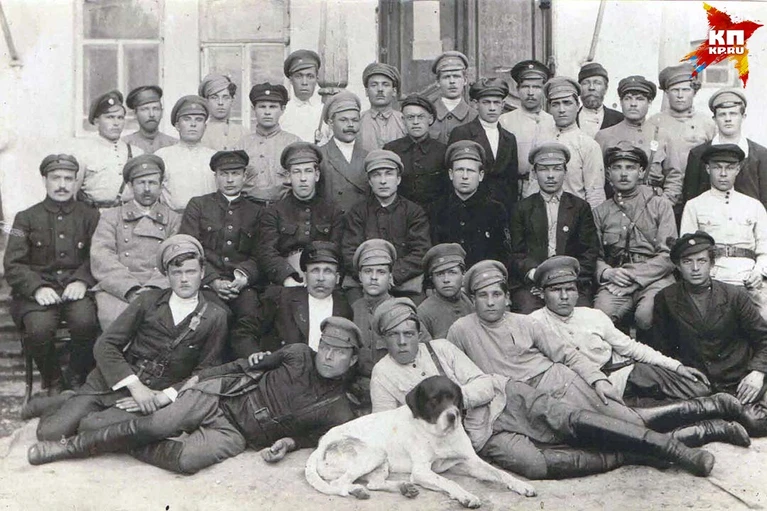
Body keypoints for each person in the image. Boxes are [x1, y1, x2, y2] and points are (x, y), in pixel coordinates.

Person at [373, 297, 746, 480]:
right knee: (534, 466)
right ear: (383, 339)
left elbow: (484, 383)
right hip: (482, 436)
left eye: (409, 333)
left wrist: (449, 403)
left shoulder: (440, 349)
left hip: (508, 399)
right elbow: (390, 428)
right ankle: (646, 452)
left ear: (419, 333)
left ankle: (676, 449)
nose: (403, 342)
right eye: (394, 336)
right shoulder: (383, 374)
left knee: (574, 422)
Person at [27, 317, 361, 475]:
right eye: (325, 347)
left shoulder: (340, 410)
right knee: (157, 426)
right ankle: (67, 447)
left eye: (339, 352)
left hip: (239, 434)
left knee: (187, 462)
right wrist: (198, 379)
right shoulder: (298, 353)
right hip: (221, 397)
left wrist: (288, 443)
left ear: (353, 359)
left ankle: (113, 437)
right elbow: (243, 364)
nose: (328, 356)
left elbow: (311, 438)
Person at [33, 234, 229, 442]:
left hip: (154, 394)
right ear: (167, 275)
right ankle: (67, 400)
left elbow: (205, 372)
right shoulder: (148, 301)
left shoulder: (215, 316)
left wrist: (163, 397)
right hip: (113, 382)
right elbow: (106, 344)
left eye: (191, 272)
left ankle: (73, 404)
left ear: (202, 272)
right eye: (176, 272)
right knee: (49, 433)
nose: (184, 279)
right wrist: (135, 386)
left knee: (91, 427)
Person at [531, 255, 713, 401]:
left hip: (622, 375)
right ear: (541, 293)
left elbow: (631, 347)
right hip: (583, 391)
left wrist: (677, 367)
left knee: (697, 388)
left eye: (570, 289)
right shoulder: (533, 324)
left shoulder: (593, 316)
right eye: (556, 290)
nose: (564, 296)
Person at [653, 232, 767, 436]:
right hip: (697, 384)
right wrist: (680, 371)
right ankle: (715, 421)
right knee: (662, 418)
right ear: (677, 266)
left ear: (712, 263)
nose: (695, 268)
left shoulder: (734, 295)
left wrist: (758, 373)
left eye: (702, 261)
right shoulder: (666, 298)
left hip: (739, 379)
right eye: (687, 262)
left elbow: (763, 338)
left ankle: (716, 418)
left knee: (756, 422)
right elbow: (661, 348)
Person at [4, 154, 100, 393]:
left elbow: (98, 256)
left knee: (86, 323)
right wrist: (36, 287)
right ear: (44, 180)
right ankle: (53, 380)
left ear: (76, 182)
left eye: (68, 179)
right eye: (56, 178)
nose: (62, 185)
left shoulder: (90, 216)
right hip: (37, 293)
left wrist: (82, 280)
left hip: (76, 290)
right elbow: (13, 263)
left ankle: (76, 376)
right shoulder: (24, 218)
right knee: (38, 329)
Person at [179, 150, 263, 356]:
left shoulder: (257, 211)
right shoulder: (198, 205)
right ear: (215, 176)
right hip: (205, 284)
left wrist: (243, 277)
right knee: (216, 317)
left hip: (242, 285)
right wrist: (213, 280)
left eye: (235, 174)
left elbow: (261, 253)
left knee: (251, 315)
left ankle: (248, 363)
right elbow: (188, 249)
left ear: (244, 176)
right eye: (224, 174)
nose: (230, 180)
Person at [593, 142, 677, 332]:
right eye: (617, 168)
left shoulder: (659, 205)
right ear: (608, 173)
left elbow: (669, 255)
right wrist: (607, 272)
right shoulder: (600, 212)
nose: (623, 174)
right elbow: (594, 255)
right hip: (617, 278)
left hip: (656, 278)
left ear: (641, 172)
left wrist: (635, 277)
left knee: (647, 315)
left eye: (630, 168)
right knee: (600, 316)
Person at [90, 155, 181, 329]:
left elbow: (175, 260)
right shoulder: (111, 217)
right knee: (117, 326)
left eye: (152, 183)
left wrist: (152, 289)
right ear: (130, 186)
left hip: (160, 288)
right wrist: (130, 289)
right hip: (118, 290)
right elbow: (102, 257)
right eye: (141, 183)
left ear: (161, 186)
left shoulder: (173, 219)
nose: (147, 189)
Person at [509, 142, 599, 313]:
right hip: (533, 283)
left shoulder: (580, 207)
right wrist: (537, 276)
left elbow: (589, 251)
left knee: (582, 315)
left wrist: (566, 279)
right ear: (534, 173)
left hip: (572, 282)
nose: (550, 176)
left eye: (557, 169)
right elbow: (516, 253)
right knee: (528, 312)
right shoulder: (522, 208)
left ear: (565, 172)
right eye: (544, 169)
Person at [680, 144, 767, 318]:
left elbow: (765, 248)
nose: (723, 173)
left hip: (749, 278)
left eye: (729, 168)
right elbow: (687, 252)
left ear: (738, 169)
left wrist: (759, 273)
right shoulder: (694, 206)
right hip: (712, 280)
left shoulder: (754, 206)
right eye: (717, 167)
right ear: (707, 169)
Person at [233, 241, 352, 358]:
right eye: (315, 270)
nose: (321, 278)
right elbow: (244, 331)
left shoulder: (345, 307)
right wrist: (253, 353)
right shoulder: (281, 298)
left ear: (337, 278)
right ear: (305, 275)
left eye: (328, 271)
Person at [342, 150, 432, 301]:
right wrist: (370, 276)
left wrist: (392, 275)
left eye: (389, 174)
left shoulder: (414, 212)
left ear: (398, 179)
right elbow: (349, 251)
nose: (383, 181)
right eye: (376, 175)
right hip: (364, 284)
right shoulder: (357, 212)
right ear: (370, 181)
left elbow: (421, 252)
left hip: (404, 284)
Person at [259, 142, 343, 286]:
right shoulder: (273, 212)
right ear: (288, 176)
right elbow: (267, 252)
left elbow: (337, 250)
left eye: (308, 171)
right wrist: (286, 278)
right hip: (286, 279)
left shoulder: (333, 211)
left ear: (317, 175)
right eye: (297, 172)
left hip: (322, 279)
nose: (303, 178)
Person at [595, 76, 681, 205]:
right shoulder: (604, 136)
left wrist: (663, 204)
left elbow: (674, 177)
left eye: (640, 99)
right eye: (628, 98)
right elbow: (596, 180)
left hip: (653, 204)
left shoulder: (662, 136)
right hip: (616, 205)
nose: (633, 104)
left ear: (649, 102)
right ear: (621, 101)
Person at [682, 88, 767, 212]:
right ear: (714, 119)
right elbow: (690, 198)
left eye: (733, 114)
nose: (728, 119)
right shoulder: (698, 154)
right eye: (722, 114)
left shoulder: (761, 155)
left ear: (743, 117)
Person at [429, 140, 511, 268]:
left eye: (471, 171)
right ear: (451, 174)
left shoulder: (495, 210)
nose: (465, 176)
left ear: (481, 175)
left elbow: (502, 255)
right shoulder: (436, 209)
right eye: (459, 170)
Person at [448, 77, 519, 210]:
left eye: (496, 103)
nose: (492, 108)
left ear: (503, 105)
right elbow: (451, 175)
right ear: (476, 104)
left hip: (501, 208)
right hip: (470, 206)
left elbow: (512, 180)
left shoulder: (509, 138)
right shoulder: (462, 133)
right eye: (486, 102)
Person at [543, 76, 605, 209]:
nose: (561, 110)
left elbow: (595, 194)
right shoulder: (541, 140)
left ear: (577, 106)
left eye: (567, 103)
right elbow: (533, 185)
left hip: (575, 216)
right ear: (549, 108)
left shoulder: (589, 145)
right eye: (555, 104)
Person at [74, 90, 145, 208]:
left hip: (129, 214)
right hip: (95, 214)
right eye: (110, 117)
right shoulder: (83, 152)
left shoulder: (137, 153)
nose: (116, 123)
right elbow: (72, 193)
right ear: (97, 121)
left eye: (120, 118)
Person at [648, 64, 715, 184]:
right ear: (667, 93)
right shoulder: (654, 122)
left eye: (685, 90)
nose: (680, 95)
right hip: (665, 188)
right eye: (675, 90)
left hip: (699, 187)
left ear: (694, 92)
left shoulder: (707, 123)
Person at [498, 60, 557, 199]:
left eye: (536, 87)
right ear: (517, 89)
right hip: (513, 190)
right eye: (525, 87)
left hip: (546, 191)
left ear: (544, 91)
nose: (530, 93)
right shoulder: (505, 121)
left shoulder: (553, 121)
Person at [236, 83, 301, 205]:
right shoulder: (241, 145)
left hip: (285, 207)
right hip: (249, 207)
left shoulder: (294, 144)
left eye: (272, 107)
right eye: (262, 107)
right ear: (253, 109)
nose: (267, 112)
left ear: (282, 109)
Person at [383, 94, 448, 209]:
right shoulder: (391, 150)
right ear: (403, 120)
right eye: (410, 117)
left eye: (421, 117)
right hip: (400, 213)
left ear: (430, 119)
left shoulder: (442, 151)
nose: (415, 122)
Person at [155, 96, 217, 211]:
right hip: (172, 218)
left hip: (208, 218)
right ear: (177, 125)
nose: (193, 124)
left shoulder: (215, 157)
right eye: (187, 119)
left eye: (199, 120)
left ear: (205, 126)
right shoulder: (162, 156)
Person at [318, 91, 369, 216]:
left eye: (355, 120)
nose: (350, 125)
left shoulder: (368, 156)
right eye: (344, 120)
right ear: (331, 123)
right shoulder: (320, 156)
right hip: (330, 222)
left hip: (361, 222)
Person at [416, 243, 474, 338]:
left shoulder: (471, 302)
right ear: (432, 279)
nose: (446, 280)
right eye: (440, 274)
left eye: (452, 272)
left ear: (463, 275)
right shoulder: (423, 313)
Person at [280, 49, 330, 144]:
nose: (304, 82)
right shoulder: (282, 112)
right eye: (298, 76)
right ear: (291, 80)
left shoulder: (325, 111)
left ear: (316, 79)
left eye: (310, 76)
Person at [428, 51, 478, 144]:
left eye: (456, 76)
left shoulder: (475, 116)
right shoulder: (427, 115)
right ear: (438, 82)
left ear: (465, 80)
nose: (452, 81)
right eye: (446, 77)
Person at [358, 63, 406, 152]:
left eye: (385, 84)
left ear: (394, 91)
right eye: (374, 85)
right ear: (367, 91)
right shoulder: (357, 121)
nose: (380, 89)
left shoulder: (404, 121)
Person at [122, 85, 177, 154]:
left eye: (156, 109)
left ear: (162, 112)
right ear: (135, 114)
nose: (151, 114)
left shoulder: (174, 144)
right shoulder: (124, 145)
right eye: (145, 109)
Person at [198, 74, 247, 151]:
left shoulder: (244, 133)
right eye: (214, 98)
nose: (220, 103)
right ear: (206, 101)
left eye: (226, 98)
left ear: (232, 100)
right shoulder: (199, 133)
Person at [577, 62, 624, 138]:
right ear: (579, 88)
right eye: (586, 83)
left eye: (597, 83)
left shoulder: (620, 120)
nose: (591, 87)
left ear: (605, 88)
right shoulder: (571, 119)